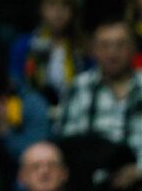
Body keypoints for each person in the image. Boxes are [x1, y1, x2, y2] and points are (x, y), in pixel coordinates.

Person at [58, 18, 142, 168]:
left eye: (120, 45)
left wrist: (138, 171)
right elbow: (66, 142)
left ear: (134, 48)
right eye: (105, 45)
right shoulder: (78, 87)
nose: (112, 53)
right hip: (88, 176)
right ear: (93, 50)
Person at [9, 0, 89, 106]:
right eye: (52, 4)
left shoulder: (82, 49)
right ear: (41, 9)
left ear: (73, 11)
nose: (59, 12)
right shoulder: (24, 45)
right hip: (34, 110)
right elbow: (15, 84)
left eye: (65, 5)